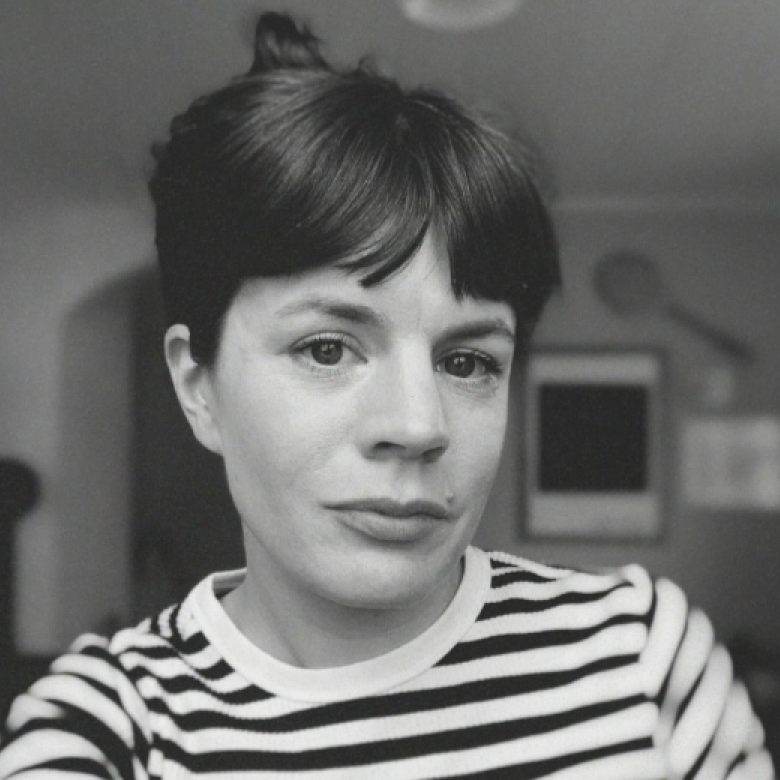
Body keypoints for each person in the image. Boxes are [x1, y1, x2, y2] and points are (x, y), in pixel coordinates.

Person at [0, 11, 774, 779]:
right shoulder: (108, 725)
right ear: (197, 386)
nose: (417, 425)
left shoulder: (642, 660)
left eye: (468, 361)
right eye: (327, 348)